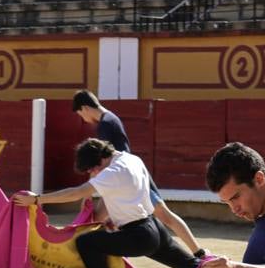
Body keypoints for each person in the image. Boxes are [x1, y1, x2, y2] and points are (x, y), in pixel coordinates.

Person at [14, 138, 201, 268]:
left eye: (92, 170)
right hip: (154, 227)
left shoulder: (112, 173)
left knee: (86, 243)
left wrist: (38, 199)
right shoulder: (131, 159)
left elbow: (76, 193)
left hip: (138, 235)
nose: (92, 174)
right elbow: (115, 195)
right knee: (192, 266)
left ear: (101, 160)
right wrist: (104, 216)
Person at [72, 89, 204, 257]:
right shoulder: (111, 118)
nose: (84, 119)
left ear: (84, 108)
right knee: (161, 216)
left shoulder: (105, 124)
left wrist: (87, 194)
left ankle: (198, 251)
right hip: (130, 176)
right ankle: (197, 251)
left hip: (129, 179)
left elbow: (100, 161)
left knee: (163, 216)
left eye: (80, 115)